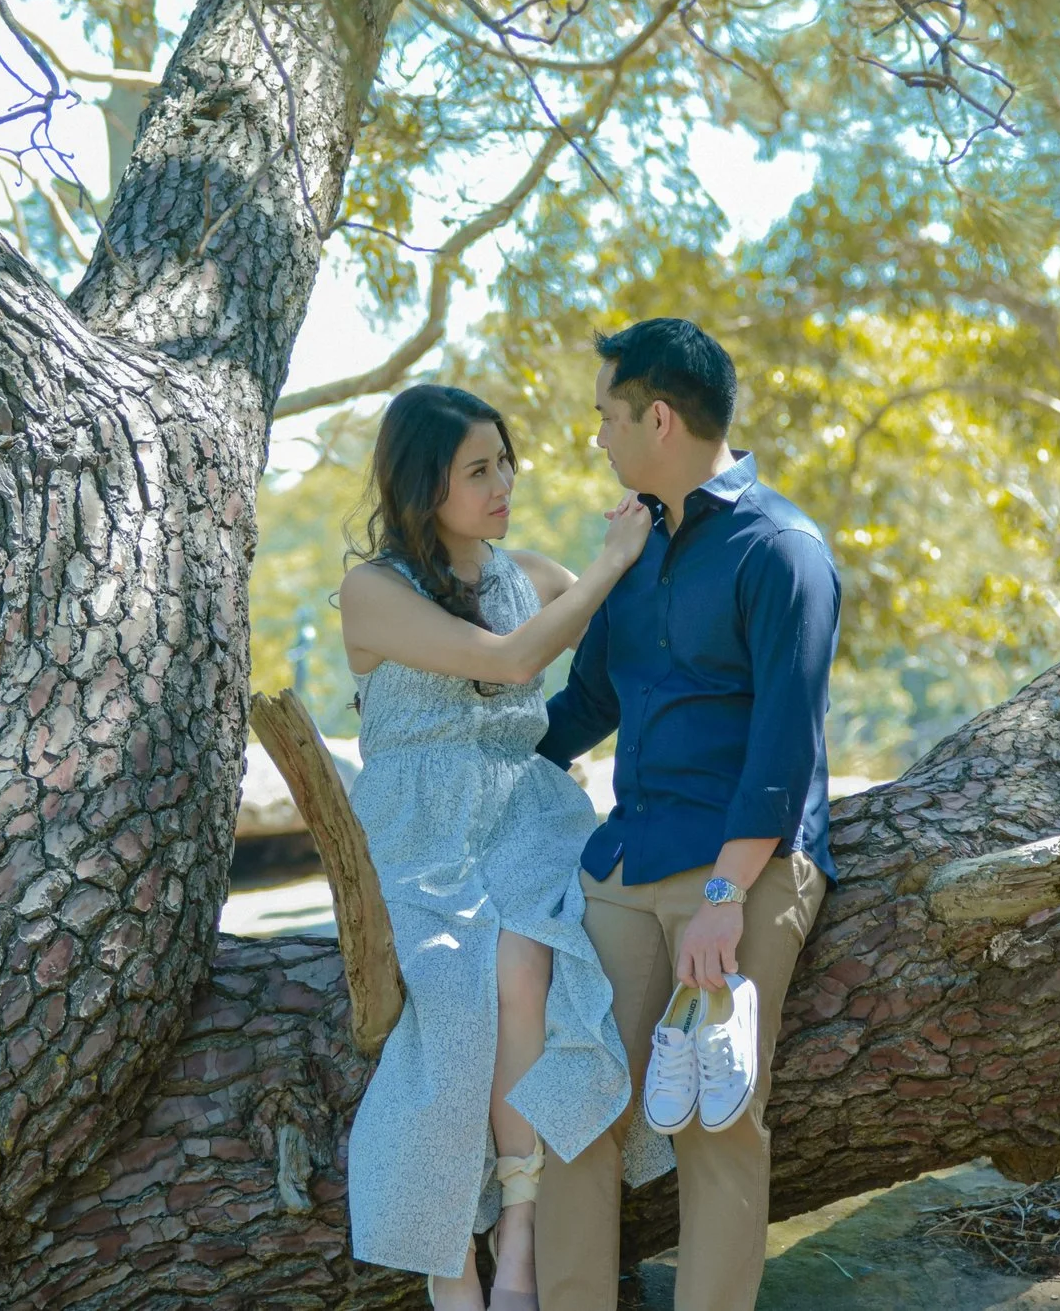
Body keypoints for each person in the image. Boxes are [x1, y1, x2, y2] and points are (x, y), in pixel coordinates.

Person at [532, 318, 842, 1311]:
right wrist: (461, 755)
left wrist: (724, 895)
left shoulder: (782, 549)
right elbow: (581, 708)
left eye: (606, 417)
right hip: (623, 863)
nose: (599, 436)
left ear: (657, 417)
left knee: (718, 1119)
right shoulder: (630, 549)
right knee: (577, 1102)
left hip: (741, 866)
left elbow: (784, 747)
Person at [338, 382, 656, 1311]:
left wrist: (643, 533)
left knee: (530, 964)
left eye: (505, 461)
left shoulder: (531, 571)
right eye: (478, 469)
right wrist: (608, 562)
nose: (502, 482)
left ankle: (518, 1232)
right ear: (422, 484)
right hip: (420, 827)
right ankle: (447, 1257)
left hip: (524, 810)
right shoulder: (373, 591)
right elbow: (512, 659)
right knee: (455, 990)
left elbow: (614, 621)